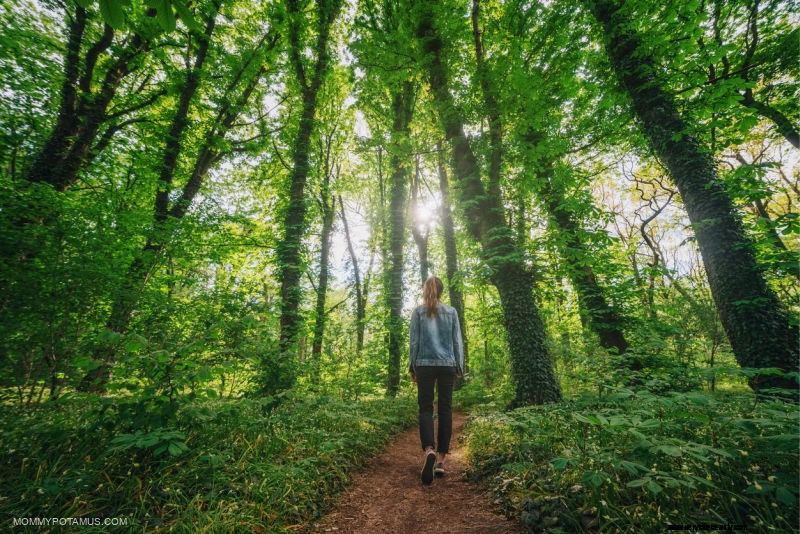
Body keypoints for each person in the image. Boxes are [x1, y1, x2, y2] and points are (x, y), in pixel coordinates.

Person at [409, 275, 464, 485]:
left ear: (426, 290)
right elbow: (457, 341)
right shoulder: (451, 312)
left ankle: (429, 449)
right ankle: (440, 461)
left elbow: (414, 343)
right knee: (445, 410)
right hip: (446, 365)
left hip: (424, 364)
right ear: (442, 292)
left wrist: (412, 366)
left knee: (425, 408)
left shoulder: (418, 312)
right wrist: (458, 365)